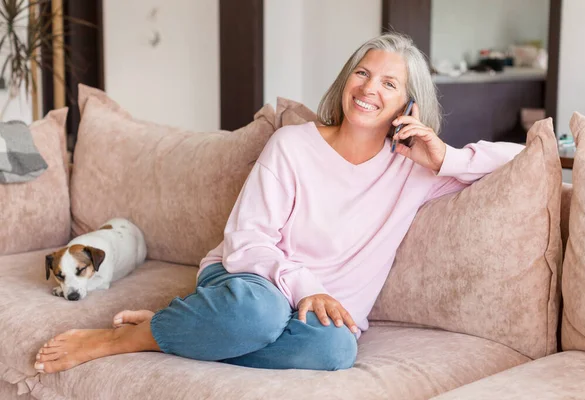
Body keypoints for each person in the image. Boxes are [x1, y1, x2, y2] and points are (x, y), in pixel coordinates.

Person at [34, 33, 523, 374]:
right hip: (252, 281)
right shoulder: (293, 144)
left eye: (389, 84)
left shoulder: (416, 170)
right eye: (362, 73)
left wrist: (445, 157)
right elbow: (246, 242)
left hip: (318, 317)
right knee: (258, 313)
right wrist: (304, 286)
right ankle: (130, 338)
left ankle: (186, 326)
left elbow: (526, 157)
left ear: (408, 106)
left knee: (335, 350)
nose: (370, 88)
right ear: (345, 80)